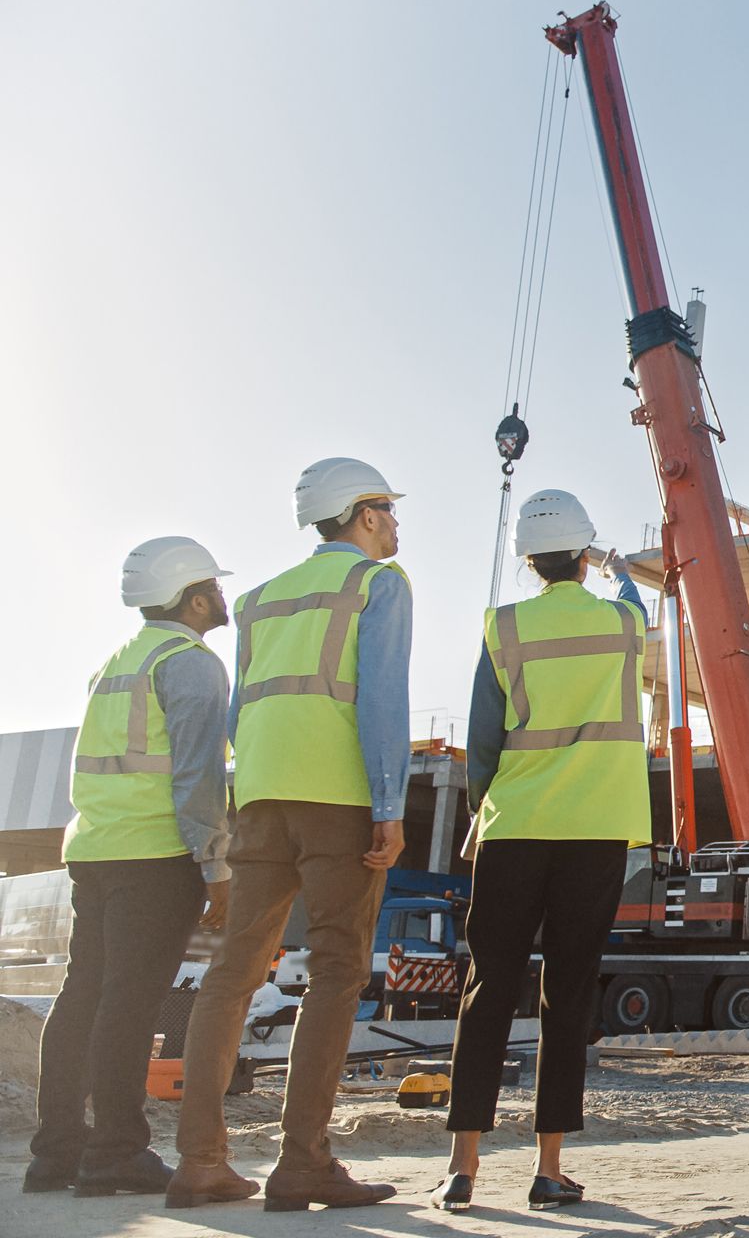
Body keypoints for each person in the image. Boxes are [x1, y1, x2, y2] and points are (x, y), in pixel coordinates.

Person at [168, 458, 411, 1212]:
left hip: (262, 799)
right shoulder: (378, 585)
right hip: (337, 799)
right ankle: (302, 1161)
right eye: (390, 511)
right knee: (338, 970)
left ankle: (200, 1161)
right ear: (364, 516)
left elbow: (244, 709)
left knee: (233, 974)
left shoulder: (259, 598)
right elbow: (381, 701)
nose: (397, 525)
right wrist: (389, 804)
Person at [432, 490, 651, 1213]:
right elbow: (640, 605)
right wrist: (617, 568)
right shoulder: (620, 622)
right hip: (594, 830)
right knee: (567, 992)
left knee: (488, 989)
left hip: (515, 826)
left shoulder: (503, 628)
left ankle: (462, 1166)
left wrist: (480, 812)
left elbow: (484, 739)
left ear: (529, 560)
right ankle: (548, 1168)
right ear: (582, 557)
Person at [24, 539, 235, 1198]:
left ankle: (56, 1154)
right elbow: (198, 776)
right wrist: (215, 863)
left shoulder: (114, 663)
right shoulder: (191, 665)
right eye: (214, 586)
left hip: (95, 850)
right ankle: (116, 1150)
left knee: (81, 996)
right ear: (195, 597)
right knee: (130, 1004)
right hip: (155, 854)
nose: (222, 597)